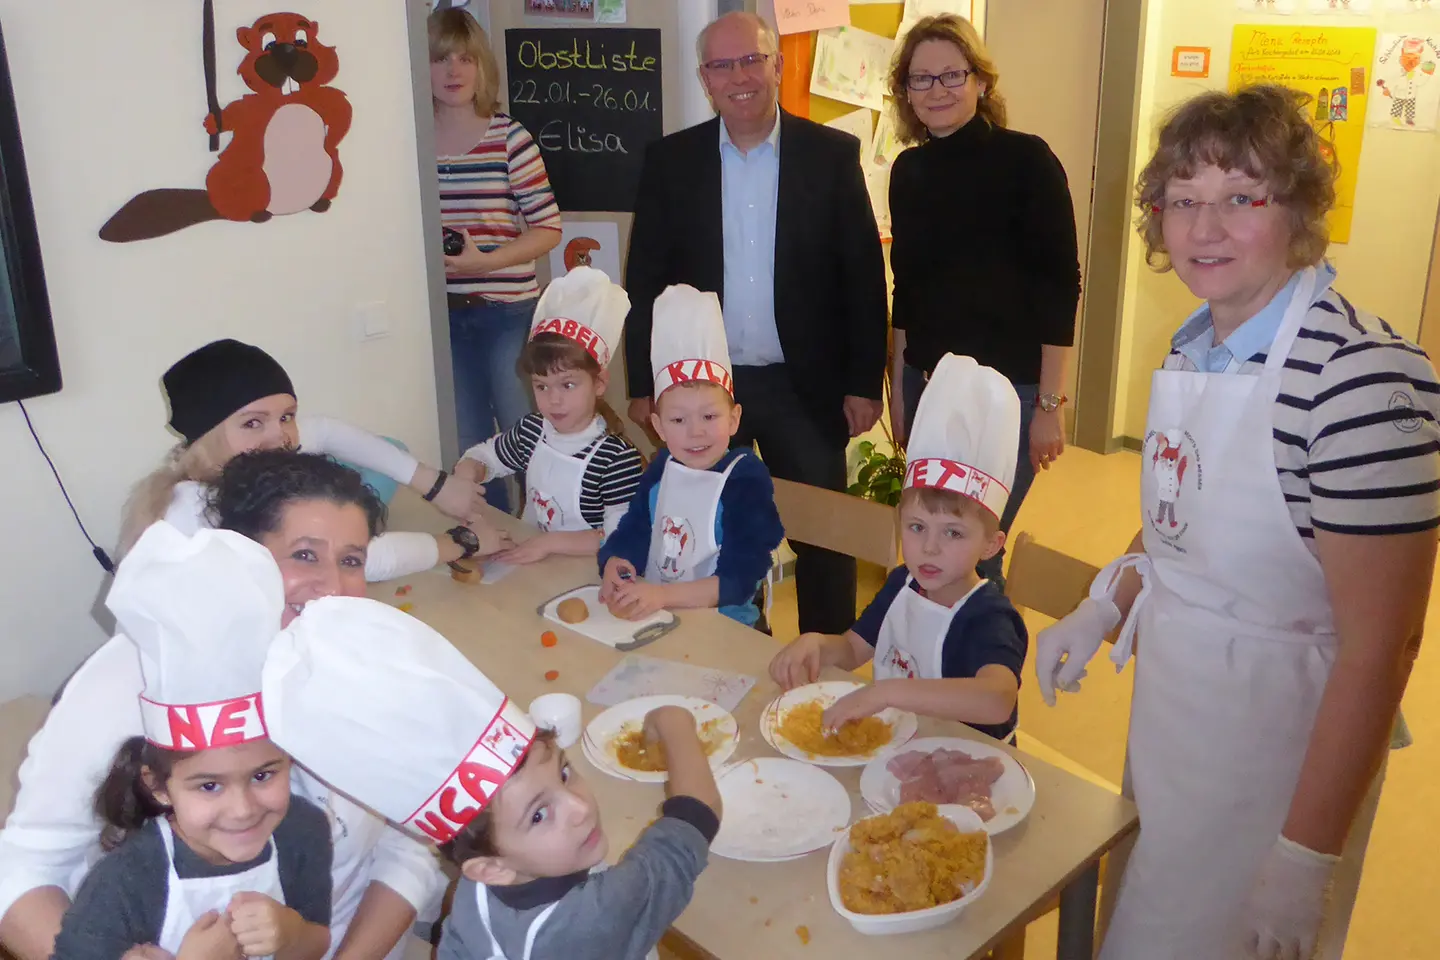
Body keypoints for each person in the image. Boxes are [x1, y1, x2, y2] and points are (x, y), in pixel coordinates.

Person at [1034, 85, 1438, 960]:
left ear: (1297, 208)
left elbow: (1384, 648)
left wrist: (1304, 858)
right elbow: (1182, 522)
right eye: (1183, 201)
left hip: (1276, 758)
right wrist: (1108, 600)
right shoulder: (1195, 350)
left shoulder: (1363, 381)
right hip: (1179, 725)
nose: (1204, 228)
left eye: (1241, 198)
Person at [0, 451, 447, 960]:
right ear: (240, 554)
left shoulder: (375, 667)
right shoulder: (136, 674)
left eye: (351, 560)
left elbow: (410, 844)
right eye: (304, 555)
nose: (332, 587)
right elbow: (24, 869)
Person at [261, 596, 723, 960]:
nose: (580, 807)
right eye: (539, 814)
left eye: (564, 772)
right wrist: (673, 718)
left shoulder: (479, 890)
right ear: (493, 866)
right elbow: (695, 818)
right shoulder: (596, 916)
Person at [623, 11, 888, 636]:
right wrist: (643, 383)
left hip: (806, 385)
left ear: (779, 66)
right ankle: (732, 648)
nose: (739, 76)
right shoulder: (671, 161)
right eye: (722, 65)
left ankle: (824, 662)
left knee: (822, 534)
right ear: (705, 79)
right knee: (711, 528)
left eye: (751, 60)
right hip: (704, 391)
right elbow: (645, 282)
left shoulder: (831, 155)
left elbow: (863, 278)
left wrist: (861, 381)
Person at [54, 524, 332, 960]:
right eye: (208, 785)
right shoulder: (127, 883)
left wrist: (292, 933)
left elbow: (318, 939)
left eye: (263, 774)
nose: (243, 810)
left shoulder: (304, 832)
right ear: (158, 785)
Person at [886, 14, 1081, 587]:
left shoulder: (1027, 160)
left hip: (1011, 394)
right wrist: (899, 386)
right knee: (930, 545)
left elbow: (1059, 283)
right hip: (929, 385)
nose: (938, 90)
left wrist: (1050, 404)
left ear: (981, 82)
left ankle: (984, 669)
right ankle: (931, 665)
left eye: (952, 74)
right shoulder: (908, 170)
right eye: (922, 79)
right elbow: (908, 288)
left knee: (976, 547)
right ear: (907, 93)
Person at [769, 355, 1028, 743]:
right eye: (917, 526)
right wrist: (817, 645)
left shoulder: (989, 616)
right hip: (902, 749)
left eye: (954, 533)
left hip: (973, 772)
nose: (930, 547)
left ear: (991, 544)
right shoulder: (902, 584)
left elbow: (996, 700)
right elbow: (854, 649)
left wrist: (886, 693)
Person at [119, 339, 508, 580]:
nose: (281, 436)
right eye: (253, 422)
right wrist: (464, 541)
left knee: (390, 448)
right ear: (207, 436)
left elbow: (325, 431)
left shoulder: (239, 470)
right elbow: (361, 560)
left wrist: (433, 484)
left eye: (286, 416)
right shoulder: (202, 515)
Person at [431, 7, 562, 512]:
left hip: (506, 313)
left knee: (523, 439)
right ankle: (491, 541)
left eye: (465, 58)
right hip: (445, 316)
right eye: (440, 59)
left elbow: (548, 229)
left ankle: (545, 538)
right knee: (466, 452)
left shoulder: (509, 138)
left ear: (482, 66)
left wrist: (482, 262)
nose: (454, 71)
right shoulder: (412, 143)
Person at [598, 285, 784, 627]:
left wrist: (661, 596)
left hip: (727, 630)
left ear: (734, 418)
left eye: (709, 417)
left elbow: (741, 578)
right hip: (658, 617)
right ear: (658, 426)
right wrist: (616, 560)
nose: (695, 432)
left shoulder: (745, 480)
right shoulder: (661, 469)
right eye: (678, 420)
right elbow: (635, 529)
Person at [454, 267, 643, 563]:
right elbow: (486, 456)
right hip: (534, 562)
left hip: (587, 573)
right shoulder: (532, 430)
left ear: (600, 383)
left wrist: (550, 543)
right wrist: (469, 472)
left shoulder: (617, 458)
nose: (554, 400)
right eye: (541, 386)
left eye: (568, 385)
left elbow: (621, 535)